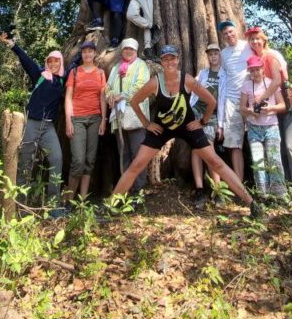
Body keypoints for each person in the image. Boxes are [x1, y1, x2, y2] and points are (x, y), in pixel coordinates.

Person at [108, 45, 255, 211]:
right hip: (161, 129)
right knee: (136, 165)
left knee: (216, 162)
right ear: (162, 62)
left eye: (172, 58)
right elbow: (134, 101)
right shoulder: (155, 81)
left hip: (188, 127)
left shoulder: (187, 80)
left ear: (178, 60)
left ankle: (251, 203)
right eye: (165, 59)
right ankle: (110, 205)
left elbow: (211, 101)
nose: (169, 61)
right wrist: (147, 124)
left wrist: (202, 122)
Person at [0, 32, 66, 218]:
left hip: (49, 127)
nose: (53, 64)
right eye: (50, 61)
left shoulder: (62, 81)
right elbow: (25, 59)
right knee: (25, 163)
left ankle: (54, 207)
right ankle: (19, 207)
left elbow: (77, 65)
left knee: (57, 160)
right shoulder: (39, 75)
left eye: (56, 61)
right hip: (31, 124)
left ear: (61, 63)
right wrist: (11, 44)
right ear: (47, 62)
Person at [246, 26, 292, 191]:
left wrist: (261, 99)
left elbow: (276, 81)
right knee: (278, 151)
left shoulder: (271, 57)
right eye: (252, 39)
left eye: (257, 38)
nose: (255, 42)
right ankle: (286, 188)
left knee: (291, 146)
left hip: (288, 108)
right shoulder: (255, 61)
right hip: (274, 112)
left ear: (264, 39)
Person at [105, 37, 151, 195]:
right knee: (123, 152)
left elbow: (142, 86)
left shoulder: (141, 65)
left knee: (137, 154)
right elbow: (108, 86)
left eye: (131, 49)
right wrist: (110, 96)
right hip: (119, 117)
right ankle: (125, 190)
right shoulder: (116, 67)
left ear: (136, 51)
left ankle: (138, 191)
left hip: (136, 116)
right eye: (125, 49)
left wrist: (122, 95)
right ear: (122, 51)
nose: (128, 51)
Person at [64, 40, 107, 202]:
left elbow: (102, 98)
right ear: (81, 54)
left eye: (90, 51)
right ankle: (67, 200)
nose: (87, 54)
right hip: (78, 119)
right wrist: (69, 121)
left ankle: (81, 201)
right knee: (78, 161)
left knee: (90, 161)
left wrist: (103, 120)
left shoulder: (101, 73)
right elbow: (68, 98)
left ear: (95, 53)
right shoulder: (75, 72)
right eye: (84, 51)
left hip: (95, 119)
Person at [240, 55, 287, 200]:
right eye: (252, 70)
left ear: (262, 69)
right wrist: (250, 111)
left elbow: (283, 105)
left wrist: (270, 108)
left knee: (274, 159)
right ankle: (263, 195)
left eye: (257, 69)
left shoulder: (271, 84)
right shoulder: (246, 86)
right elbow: (242, 108)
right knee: (258, 161)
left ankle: (279, 195)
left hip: (271, 126)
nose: (255, 73)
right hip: (254, 128)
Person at [189, 43, 227, 209]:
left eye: (215, 54)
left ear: (220, 56)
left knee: (209, 149)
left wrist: (221, 125)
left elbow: (224, 100)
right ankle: (199, 189)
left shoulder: (224, 75)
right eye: (210, 54)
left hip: (211, 116)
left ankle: (217, 190)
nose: (213, 57)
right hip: (196, 114)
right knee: (196, 149)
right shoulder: (203, 74)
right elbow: (192, 88)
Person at [217, 19, 250, 184]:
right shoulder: (223, 54)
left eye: (231, 31)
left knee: (257, 140)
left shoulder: (248, 46)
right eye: (225, 34)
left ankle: (264, 184)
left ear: (237, 30)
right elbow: (222, 78)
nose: (229, 35)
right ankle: (239, 184)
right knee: (235, 144)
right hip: (231, 102)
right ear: (222, 37)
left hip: (250, 100)